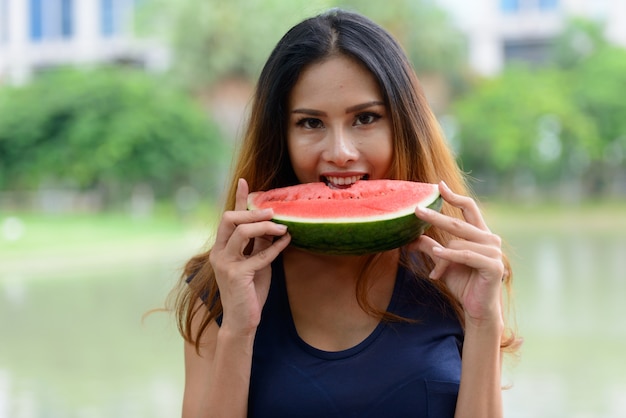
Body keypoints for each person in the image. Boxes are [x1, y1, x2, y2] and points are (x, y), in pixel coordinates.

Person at [172, 8, 521, 418]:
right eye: (310, 123)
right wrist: (238, 328)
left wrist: (483, 320)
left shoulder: (456, 271)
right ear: (280, 136)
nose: (340, 152)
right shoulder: (219, 287)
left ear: (403, 127)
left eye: (366, 118)